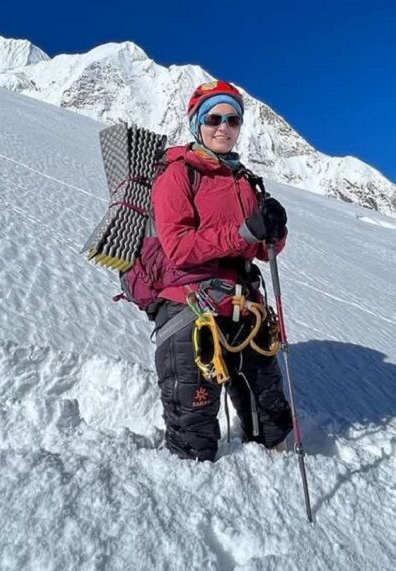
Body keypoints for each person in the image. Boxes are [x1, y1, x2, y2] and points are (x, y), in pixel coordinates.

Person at [151, 80, 293, 461]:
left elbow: (264, 250)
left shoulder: (244, 180)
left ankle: (271, 481)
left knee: (273, 425)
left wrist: (274, 230)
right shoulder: (178, 174)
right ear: (197, 124)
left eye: (233, 120)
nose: (223, 128)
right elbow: (178, 247)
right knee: (193, 440)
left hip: (244, 308)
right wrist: (243, 231)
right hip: (191, 309)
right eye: (213, 119)